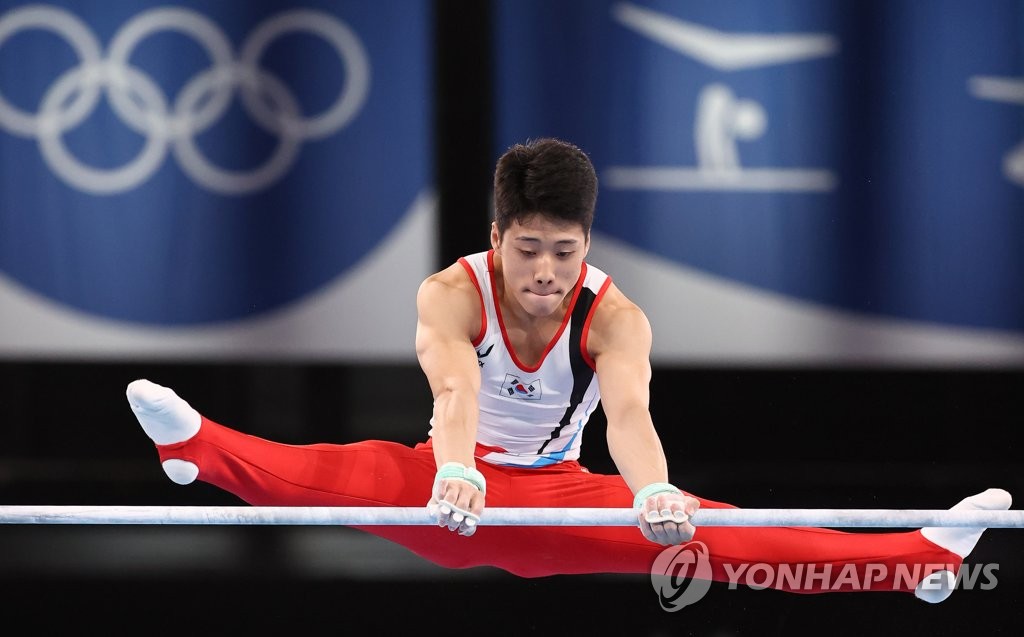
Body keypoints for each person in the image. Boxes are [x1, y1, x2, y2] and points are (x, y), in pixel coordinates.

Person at [127, 137, 1010, 602]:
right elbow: (453, 387)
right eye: (529, 249)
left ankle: (919, 560)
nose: (546, 272)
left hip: (564, 495)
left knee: (728, 534)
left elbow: (629, 415)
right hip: (453, 485)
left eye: (565, 250)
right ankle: (198, 450)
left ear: (587, 243)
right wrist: (458, 466)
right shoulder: (451, 293)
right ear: (495, 239)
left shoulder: (614, 314)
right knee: (334, 471)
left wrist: (655, 492)